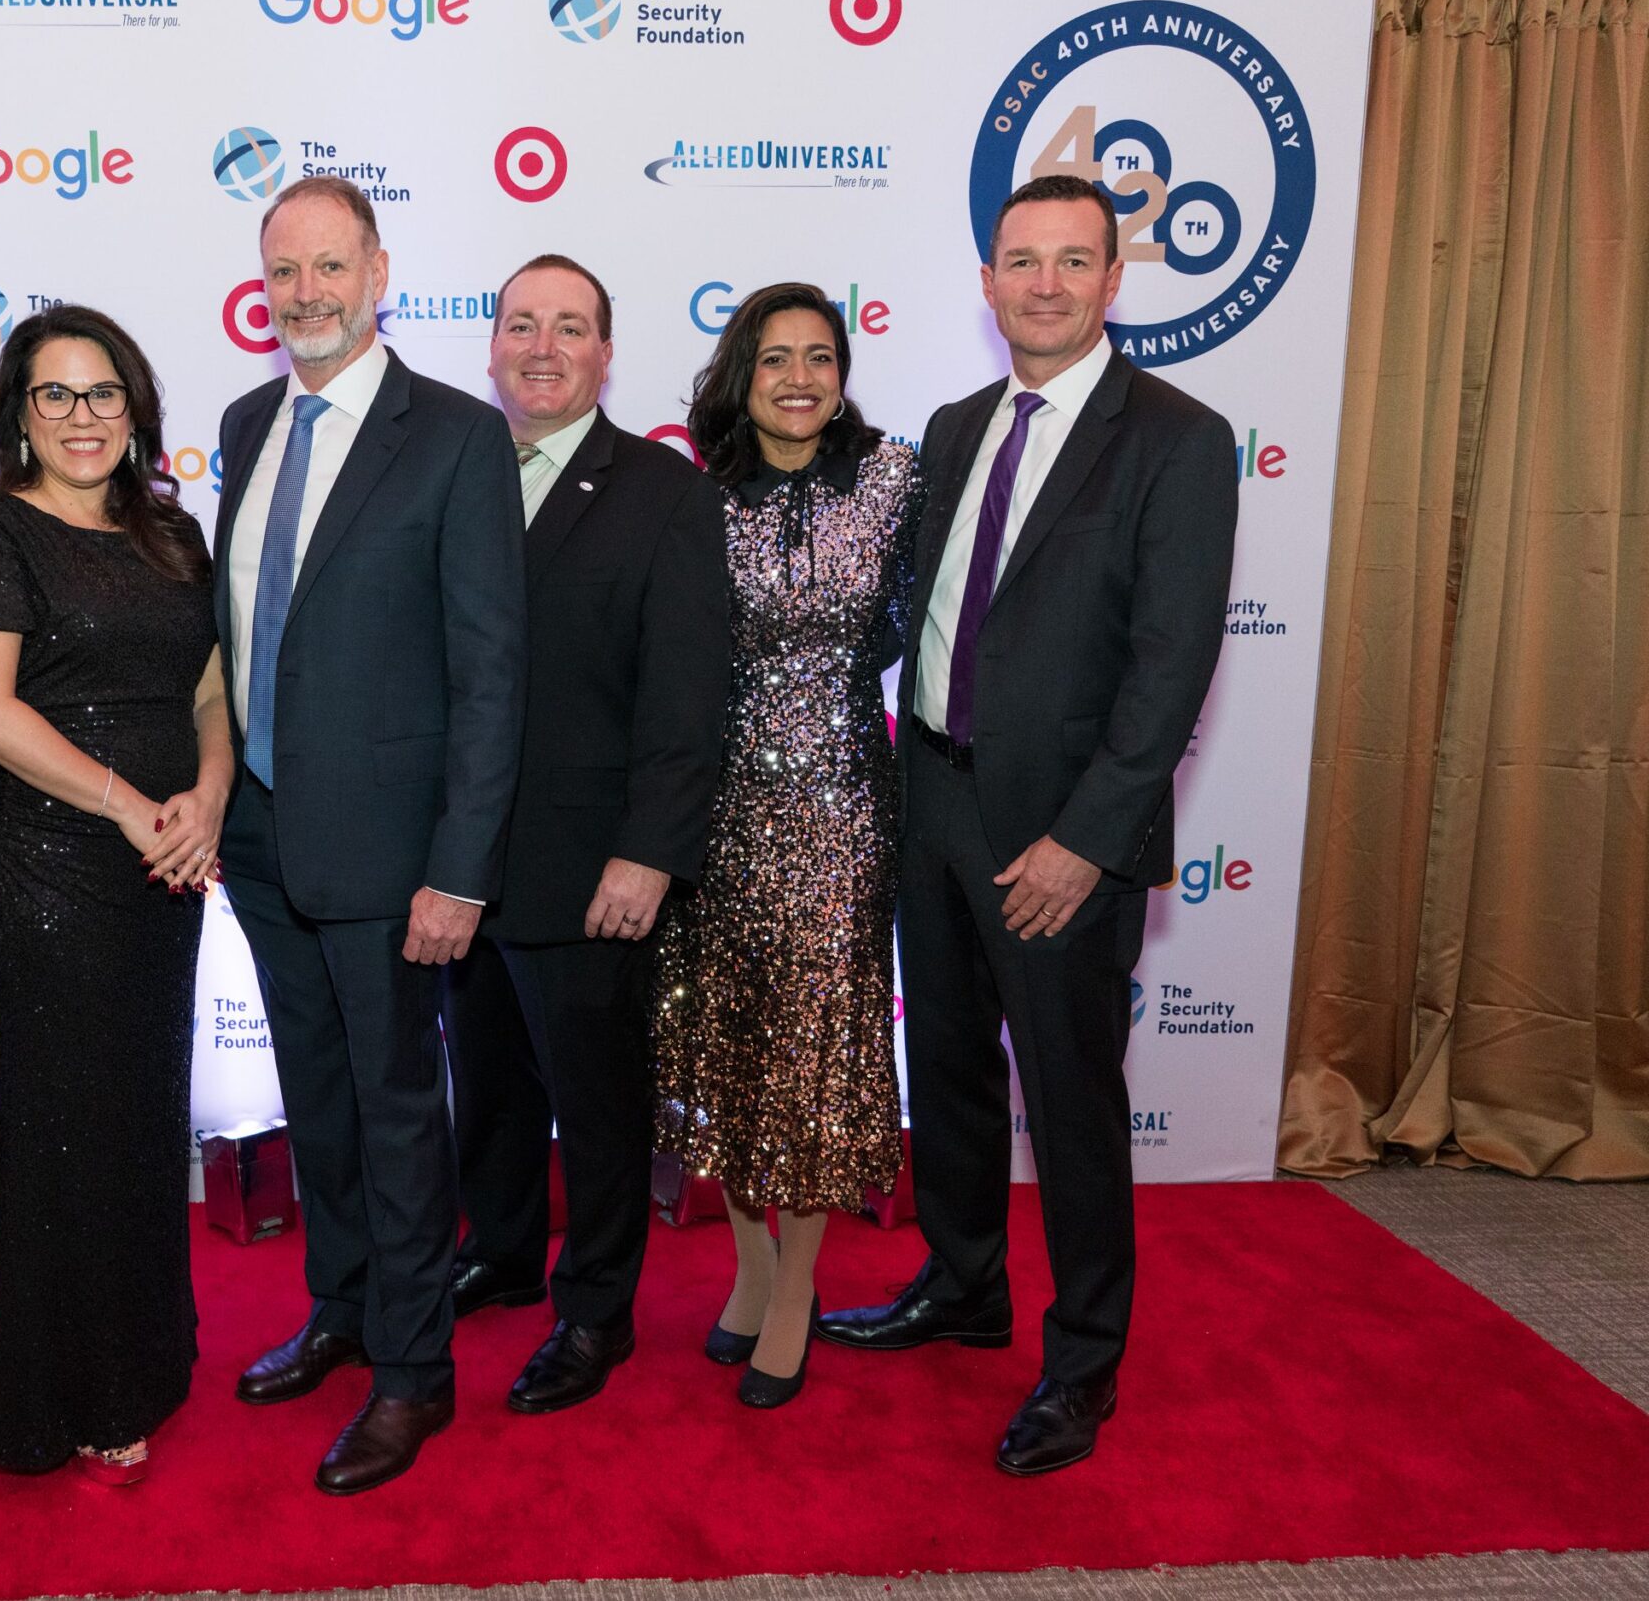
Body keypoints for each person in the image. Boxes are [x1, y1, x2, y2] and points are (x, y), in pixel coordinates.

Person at [814, 174, 1238, 1476]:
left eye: (1070, 260)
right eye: (1020, 259)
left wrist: (1087, 841)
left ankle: (1083, 1360)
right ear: (988, 280)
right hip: (931, 795)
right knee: (944, 1064)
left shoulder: (1176, 438)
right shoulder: (955, 428)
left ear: (1112, 279)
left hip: (1061, 833)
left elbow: (1169, 669)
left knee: (1070, 1102)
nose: (1043, 283)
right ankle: (963, 1284)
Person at [215, 176, 526, 1494]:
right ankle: (340, 1308)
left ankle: (412, 1371)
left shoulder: (455, 435)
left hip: (397, 855)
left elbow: (492, 673)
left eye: (330, 267)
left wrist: (460, 868)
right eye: (285, 271)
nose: (307, 294)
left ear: (380, 273)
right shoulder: (247, 421)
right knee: (319, 1094)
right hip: (262, 837)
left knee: (398, 1112)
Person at [0, 305, 225, 1484]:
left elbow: (208, 690)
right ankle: (76, 1391)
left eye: (103, 393)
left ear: (135, 410)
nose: (82, 416)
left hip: (166, 870)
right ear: (20, 414)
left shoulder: (171, 534)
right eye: (56, 394)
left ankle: (146, 1354)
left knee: (142, 1122)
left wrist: (207, 798)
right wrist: (130, 807)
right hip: (48, 870)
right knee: (71, 1135)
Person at [441, 255, 730, 1413]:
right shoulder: (452, 470)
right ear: (492, 345)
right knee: (488, 1080)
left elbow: (686, 694)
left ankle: (597, 1311)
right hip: (459, 859)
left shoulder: (664, 492)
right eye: (521, 325)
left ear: (606, 354)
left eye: (569, 327)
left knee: (598, 1103)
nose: (542, 347)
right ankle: (503, 1252)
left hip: (592, 861)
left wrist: (651, 850)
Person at [648, 281, 926, 1411]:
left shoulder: (898, 479)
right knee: (729, 1043)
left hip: (844, 810)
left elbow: (932, 623)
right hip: (720, 810)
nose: (800, 378)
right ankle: (752, 1264)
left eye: (820, 356)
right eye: (776, 359)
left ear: (843, 374)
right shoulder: (697, 495)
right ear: (742, 375)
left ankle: (799, 1287)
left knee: (814, 1057)